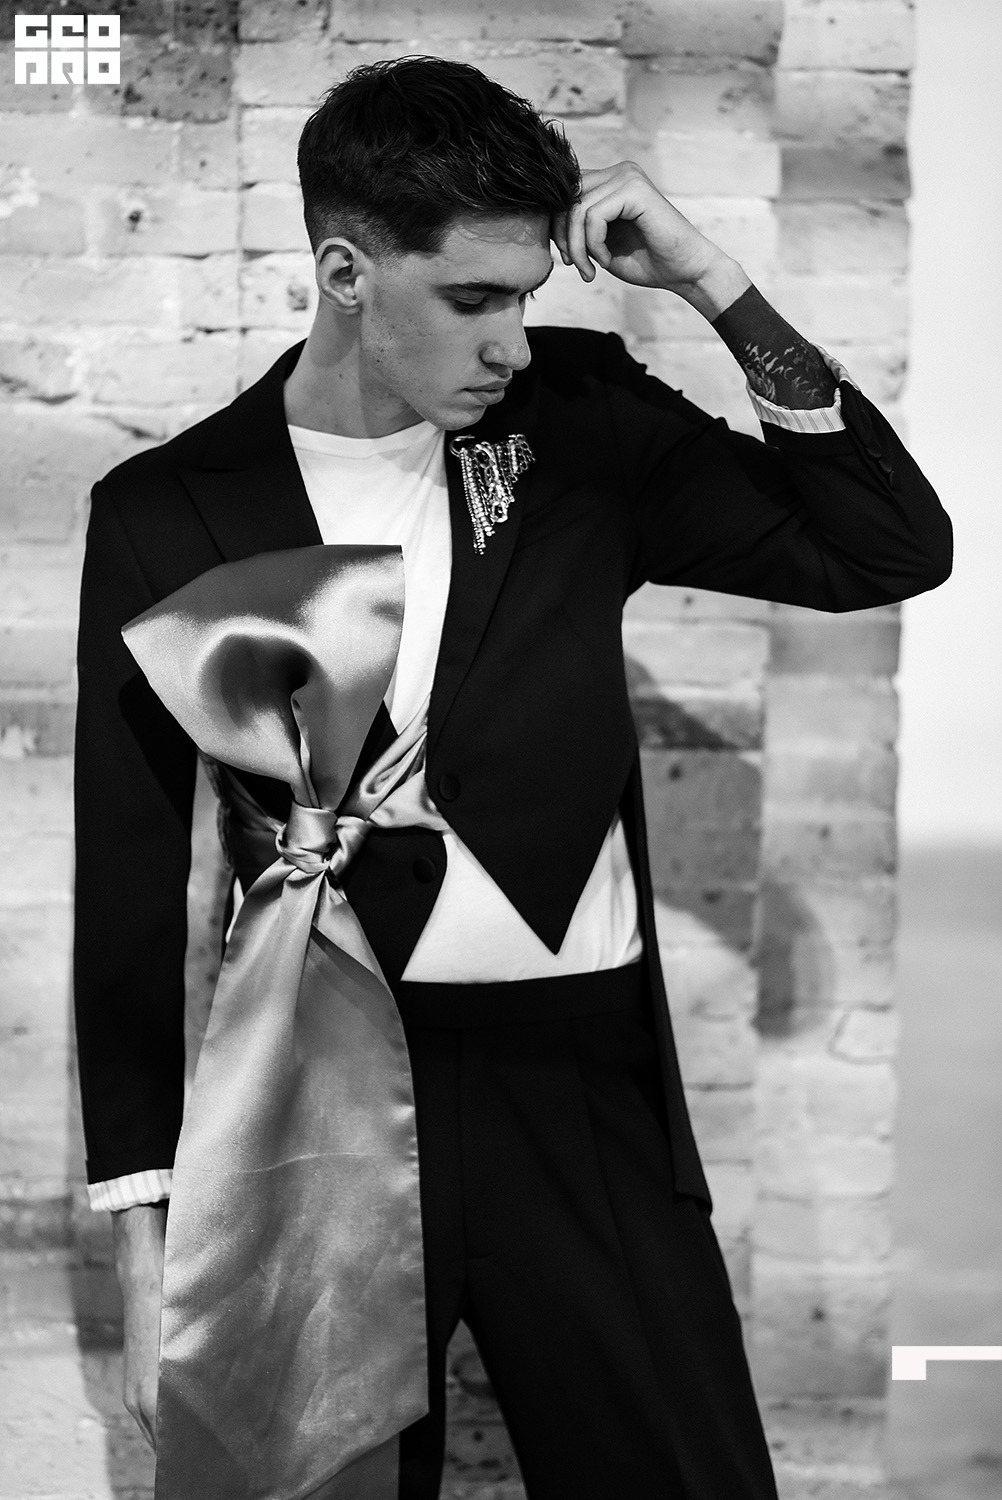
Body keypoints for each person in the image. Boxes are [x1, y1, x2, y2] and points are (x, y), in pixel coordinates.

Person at [73, 55, 952, 1500]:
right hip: (316, 1102)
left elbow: (885, 548)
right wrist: (141, 1225)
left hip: (581, 1084)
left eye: (525, 299)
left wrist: (718, 286)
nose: (510, 344)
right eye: (472, 300)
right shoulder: (166, 509)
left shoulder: (580, 425)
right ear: (346, 273)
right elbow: (123, 880)